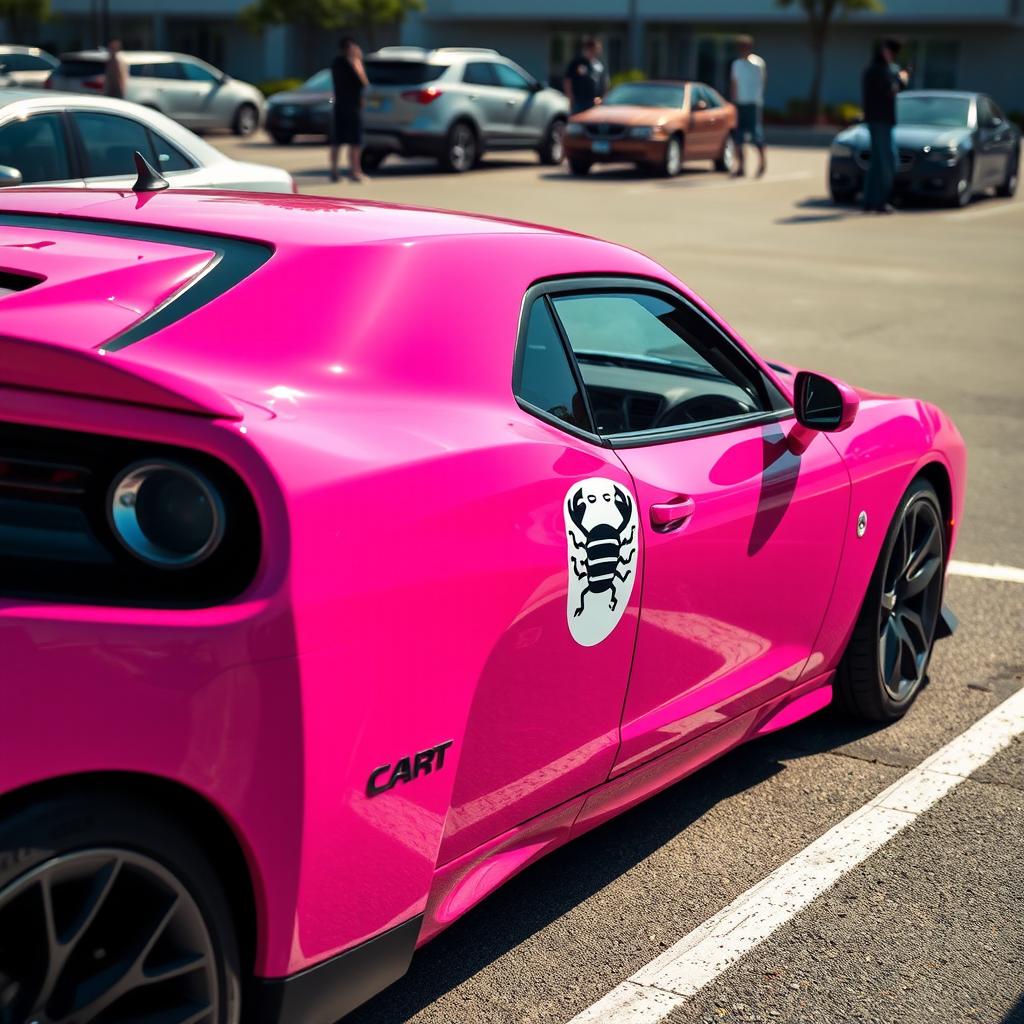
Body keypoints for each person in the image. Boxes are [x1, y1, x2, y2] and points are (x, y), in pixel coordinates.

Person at [861, 38, 909, 214]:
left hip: (879, 120)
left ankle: (870, 201)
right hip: (880, 121)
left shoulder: (878, 69)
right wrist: (902, 80)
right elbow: (890, 91)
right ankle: (880, 201)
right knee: (887, 162)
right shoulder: (879, 70)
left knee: (877, 163)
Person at [330, 36, 369, 183]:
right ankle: (355, 171)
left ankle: (334, 171)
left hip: (339, 105)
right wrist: (358, 61)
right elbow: (364, 83)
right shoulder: (353, 62)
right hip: (352, 107)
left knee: (337, 141)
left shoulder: (335, 63)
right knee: (355, 141)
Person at [729, 35, 767, 177]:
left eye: (745, 47)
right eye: (740, 47)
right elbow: (734, 83)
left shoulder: (758, 63)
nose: (742, 50)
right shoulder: (736, 64)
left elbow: (763, 81)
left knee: (756, 135)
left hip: (753, 103)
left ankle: (762, 163)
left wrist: (758, 97)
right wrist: (734, 101)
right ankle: (741, 167)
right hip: (740, 103)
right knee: (738, 138)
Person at [563, 36, 608, 115]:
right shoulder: (577, 62)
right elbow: (567, 80)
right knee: (577, 123)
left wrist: (601, 98)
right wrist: (570, 98)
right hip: (579, 101)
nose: (598, 51)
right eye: (596, 48)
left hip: (593, 102)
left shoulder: (598, 65)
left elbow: (604, 82)